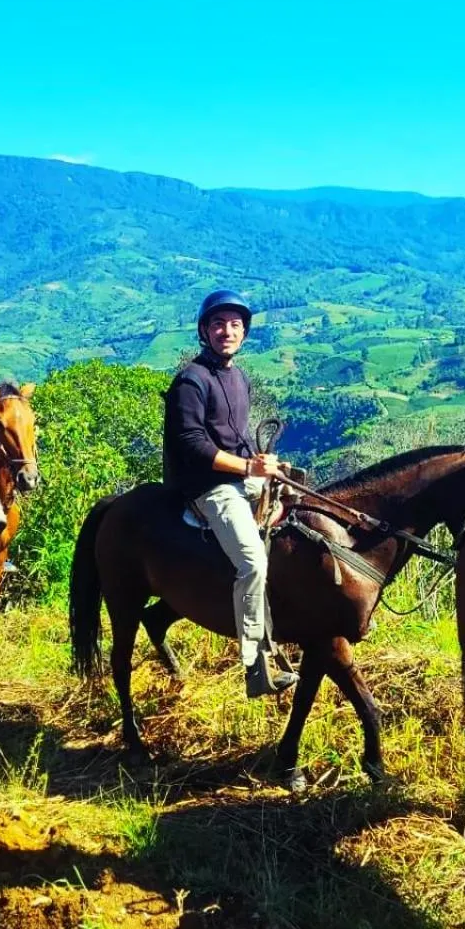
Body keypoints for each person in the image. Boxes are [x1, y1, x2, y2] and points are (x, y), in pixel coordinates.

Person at [163, 290, 298, 698]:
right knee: (254, 562)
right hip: (208, 486)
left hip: (239, 474)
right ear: (205, 330)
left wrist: (261, 461)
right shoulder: (191, 380)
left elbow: (232, 436)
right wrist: (246, 467)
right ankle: (256, 664)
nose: (228, 331)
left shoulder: (237, 377)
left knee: (301, 500)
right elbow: (194, 445)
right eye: (219, 324)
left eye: (235, 324)